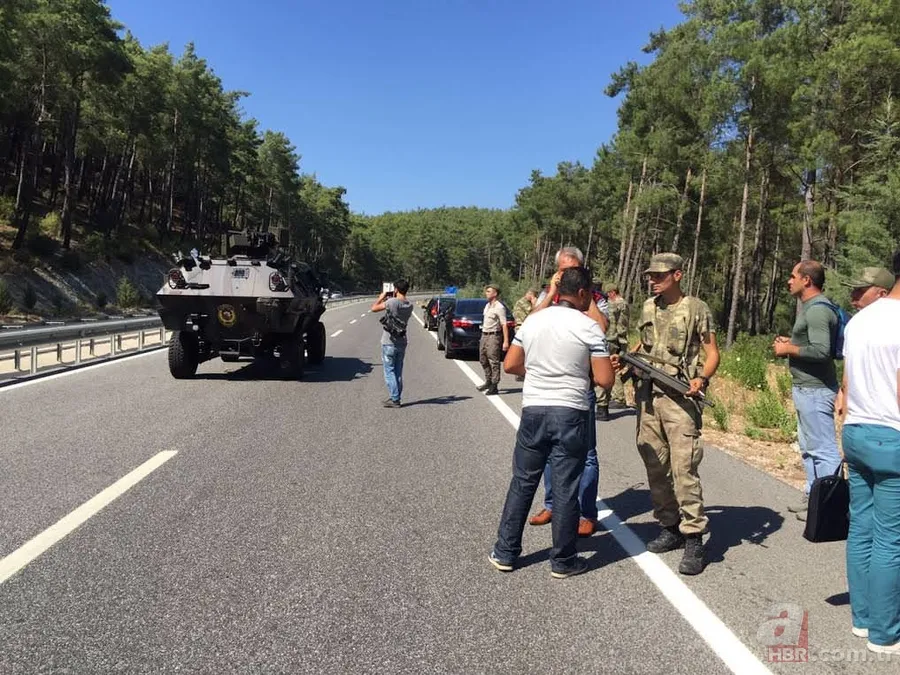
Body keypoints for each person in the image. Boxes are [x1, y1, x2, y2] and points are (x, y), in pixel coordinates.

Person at [488, 266, 614, 578]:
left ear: (557, 292)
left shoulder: (533, 321)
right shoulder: (588, 328)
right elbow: (604, 379)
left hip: (534, 410)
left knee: (523, 481)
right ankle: (563, 560)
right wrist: (579, 372)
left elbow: (511, 364)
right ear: (583, 293)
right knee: (565, 487)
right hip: (570, 411)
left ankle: (505, 552)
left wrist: (543, 371)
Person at [611, 252, 720, 575]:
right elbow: (643, 347)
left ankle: (694, 537)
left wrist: (702, 378)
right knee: (655, 465)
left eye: (659, 275)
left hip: (680, 400)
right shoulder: (647, 307)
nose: (652, 280)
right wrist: (626, 359)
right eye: (650, 275)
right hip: (648, 398)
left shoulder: (696, 309)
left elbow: (712, 352)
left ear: (677, 275)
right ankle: (669, 526)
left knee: (684, 468)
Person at [840, 250, 900, 655]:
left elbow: (846, 384)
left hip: (856, 431)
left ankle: (863, 619)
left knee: (861, 527)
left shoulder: (860, 319)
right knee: (891, 539)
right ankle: (886, 633)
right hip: (891, 436)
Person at [528, 246, 608, 537]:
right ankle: (552, 504)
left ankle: (586, 512)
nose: (566, 274)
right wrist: (551, 293)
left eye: (572, 269)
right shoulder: (549, 296)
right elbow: (530, 323)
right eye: (562, 270)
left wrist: (588, 299)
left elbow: (602, 328)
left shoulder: (595, 299)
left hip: (581, 386)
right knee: (550, 452)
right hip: (549, 388)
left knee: (586, 454)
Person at [772, 260, 841, 520]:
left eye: (793, 276)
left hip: (816, 390)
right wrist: (791, 343)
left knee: (823, 449)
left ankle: (828, 507)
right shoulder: (811, 308)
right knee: (808, 446)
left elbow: (822, 351)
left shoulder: (816, 311)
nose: (789, 281)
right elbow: (813, 344)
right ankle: (814, 496)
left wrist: (788, 349)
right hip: (806, 389)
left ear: (807, 280)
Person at [835, 266, 894, 418]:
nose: (852, 296)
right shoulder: (855, 325)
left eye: (860, 291)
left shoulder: (893, 327)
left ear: (882, 294)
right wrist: (843, 393)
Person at [371, 279, 413, 408]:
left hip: (389, 341)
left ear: (396, 289)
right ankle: (397, 396)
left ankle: (395, 399)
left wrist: (381, 298)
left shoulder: (391, 302)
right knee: (398, 371)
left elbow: (374, 309)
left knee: (389, 371)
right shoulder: (409, 305)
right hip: (402, 341)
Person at [597, 283, 629, 417]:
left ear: (612, 292)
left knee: (603, 370)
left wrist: (622, 343)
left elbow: (621, 325)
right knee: (611, 369)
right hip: (614, 341)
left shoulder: (615, 304)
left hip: (609, 340)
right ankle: (607, 402)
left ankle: (602, 406)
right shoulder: (622, 304)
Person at [476, 284, 510, 396]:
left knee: (493, 361)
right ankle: (488, 381)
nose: (486, 293)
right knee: (483, 359)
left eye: (489, 291)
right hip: (484, 335)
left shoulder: (499, 307)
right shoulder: (487, 306)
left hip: (494, 336)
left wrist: (506, 341)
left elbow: (504, 324)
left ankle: (494, 385)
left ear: (495, 293)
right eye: (486, 291)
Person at [512, 289, 537, 382]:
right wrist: (534, 302)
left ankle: (521, 373)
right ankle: (520, 373)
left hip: (524, 327)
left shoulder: (526, 302)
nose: (530, 296)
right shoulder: (523, 302)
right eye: (530, 294)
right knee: (523, 351)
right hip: (521, 328)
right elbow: (534, 312)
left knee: (525, 351)